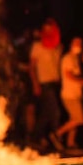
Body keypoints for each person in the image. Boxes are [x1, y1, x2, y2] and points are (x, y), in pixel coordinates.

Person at [29, 18, 62, 151]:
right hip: (44, 84)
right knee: (55, 112)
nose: (47, 31)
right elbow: (32, 68)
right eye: (45, 29)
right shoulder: (37, 46)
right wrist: (35, 84)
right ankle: (56, 138)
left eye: (50, 28)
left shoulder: (58, 47)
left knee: (45, 114)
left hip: (55, 83)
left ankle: (35, 138)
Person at [54, 36, 83, 153]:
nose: (78, 45)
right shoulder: (67, 58)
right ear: (71, 44)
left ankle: (70, 143)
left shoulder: (75, 58)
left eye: (80, 43)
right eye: (76, 43)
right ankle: (57, 133)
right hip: (69, 95)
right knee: (80, 119)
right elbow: (68, 75)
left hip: (76, 94)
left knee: (73, 119)